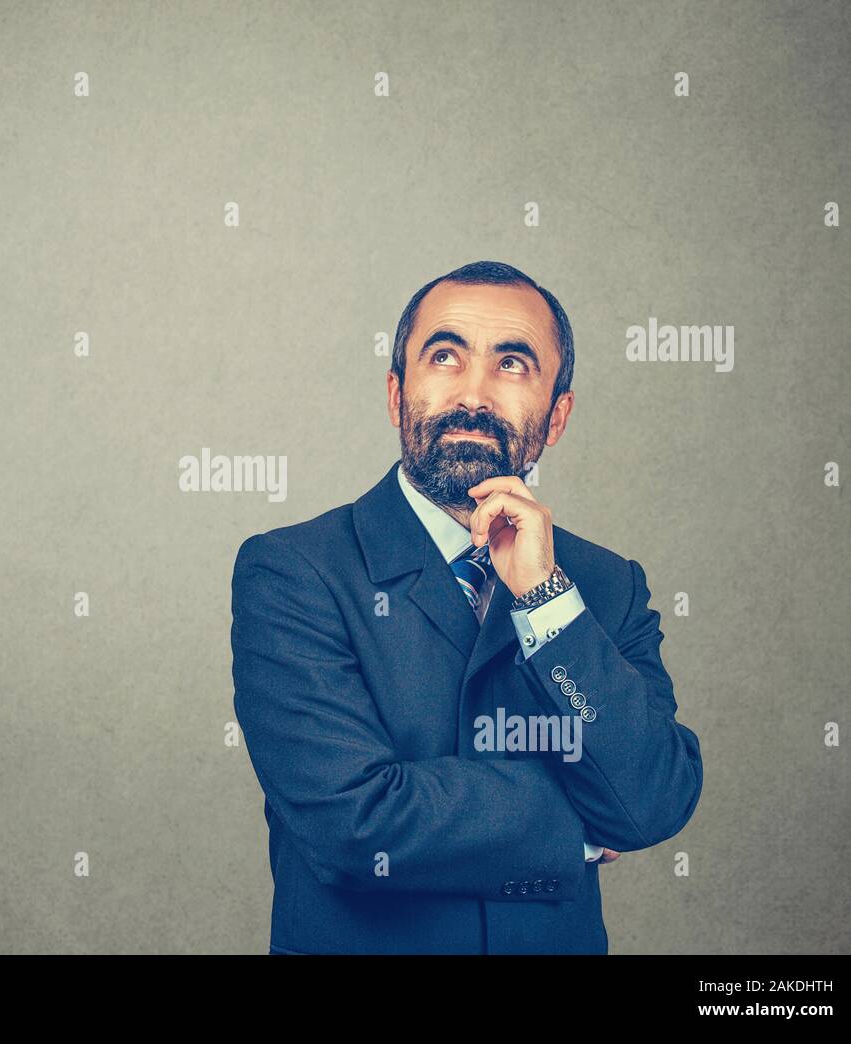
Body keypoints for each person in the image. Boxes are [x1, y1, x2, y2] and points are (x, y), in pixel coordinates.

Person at [230, 260, 703, 954]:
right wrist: (581, 828)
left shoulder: (604, 584)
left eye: (513, 364)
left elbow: (653, 796)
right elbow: (354, 825)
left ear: (558, 415)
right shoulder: (294, 571)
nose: (474, 394)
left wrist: (546, 598)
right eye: (445, 356)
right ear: (396, 395)